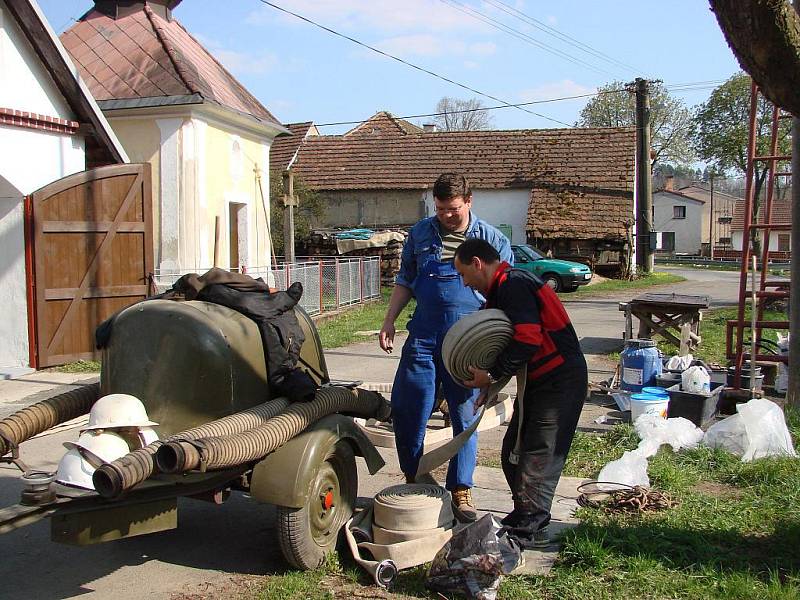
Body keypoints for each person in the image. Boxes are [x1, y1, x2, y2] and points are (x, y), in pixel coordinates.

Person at [379, 173, 512, 522]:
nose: (446, 216)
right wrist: (389, 319)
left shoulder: (491, 239)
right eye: (440, 209)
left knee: (465, 415)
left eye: (453, 209)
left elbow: (506, 293)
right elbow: (406, 279)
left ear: (469, 201)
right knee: (409, 407)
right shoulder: (421, 233)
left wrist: (496, 346)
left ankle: (460, 489)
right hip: (424, 336)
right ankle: (414, 475)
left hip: (469, 342)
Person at [453, 237, 587, 548]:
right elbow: (506, 344)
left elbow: (527, 339)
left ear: (477, 263)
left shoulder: (513, 284)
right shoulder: (501, 290)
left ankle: (532, 526)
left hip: (560, 380)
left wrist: (493, 374)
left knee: (538, 455)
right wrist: (491, 384)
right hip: (542, 381)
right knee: (513, 452)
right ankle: (525, 514)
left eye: (464, 274)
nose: (464, 282)